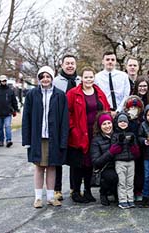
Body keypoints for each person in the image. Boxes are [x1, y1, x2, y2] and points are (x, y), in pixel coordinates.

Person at [22, 66, 69, 208]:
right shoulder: (32, 95)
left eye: (48, 76)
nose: (45, 79)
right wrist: (27, 140)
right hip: (38, 137)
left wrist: (63, 140)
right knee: (39, 166)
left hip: (53, 136)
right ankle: (37, 198)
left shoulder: (60, 95)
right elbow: (26, 118)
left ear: (52, 78)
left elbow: (64, 119)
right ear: (39, 79)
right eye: (42, 77)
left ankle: (50, 197)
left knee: (52, 166)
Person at [66, 66, 111, 203]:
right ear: (82, 78)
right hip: (79, 133)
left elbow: (106, 109)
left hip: (95, 133)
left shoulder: (99, 92)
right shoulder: (74, 93)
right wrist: (73, 128)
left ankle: (88, 190)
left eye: (91, 77)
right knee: (78, 164)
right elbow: (67, 113)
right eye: (86, 77)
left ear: (94, 78)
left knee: (90, 163)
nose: (89, 79)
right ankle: (75, 191)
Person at [53, 54, 81, 201]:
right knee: (58, 158)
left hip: (76, 125)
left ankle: (74, 188)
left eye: (72, 63)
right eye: (67, 63)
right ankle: (57, 189)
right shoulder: (55, 82)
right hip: (59, 125)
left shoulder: (80, 81)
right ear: (62, 65)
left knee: (75, 159)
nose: (70, 66)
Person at [110, 112, 140, 209]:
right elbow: (113, 149)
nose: (123, 123)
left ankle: (130, 199)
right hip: (120, 161)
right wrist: (120, 142)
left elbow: (136, 152)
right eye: (120, 121)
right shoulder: (115, 135)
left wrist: (132, 144)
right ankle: (122, 200)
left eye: (125, 121)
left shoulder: (132, 135)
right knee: (122, 182)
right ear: (117, 123)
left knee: (130, 182)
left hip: (131, 161)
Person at [90, 112, 118, 206]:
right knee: (111, 176)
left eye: (109, 123)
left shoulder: (118, 135)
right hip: (105, 168)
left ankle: (116, 192)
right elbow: (96, 162)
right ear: (100, 126)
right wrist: (110, 152)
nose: (107, 126)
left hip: (119, 165)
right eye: (104, 124)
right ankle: (104, 193)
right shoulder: (96, 140)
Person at [122, 95, 145, 201]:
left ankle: (138, 190)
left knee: (140, 171)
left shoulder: (142, 121)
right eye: (131, 108)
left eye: (136, 108)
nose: (133, 110)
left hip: (140, 150)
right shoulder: (124, 121)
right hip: (127, 150)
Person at [95, 51, 130, 116]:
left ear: (116, 61)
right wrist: (106, 111)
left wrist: (118, 111)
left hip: (121, 112)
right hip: (104, 112)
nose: (110, 62)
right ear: (103, 61)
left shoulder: (124, 76)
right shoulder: (97, 77)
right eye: (107, 59)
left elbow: (126, 95)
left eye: (112, 60)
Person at [0, 75, 19, 147]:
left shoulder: (10, 91)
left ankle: (9, 140)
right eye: (2, 81)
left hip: (8, 112)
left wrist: (16, 109)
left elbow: (14, 101)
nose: (4, 82)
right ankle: (1, 141)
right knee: (0, 127)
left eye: (5, 81)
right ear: (0, 81)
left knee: (8, 126)